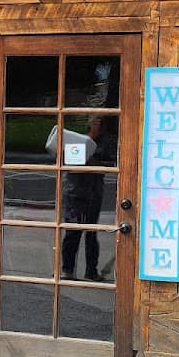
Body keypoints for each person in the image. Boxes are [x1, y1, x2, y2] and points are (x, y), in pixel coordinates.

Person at [61, 117, 114, 281]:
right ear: (89, 125)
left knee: (91, 234)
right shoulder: (76, 141)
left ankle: (91, 270)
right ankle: (67, 270)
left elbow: (111, 164)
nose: (100, 126)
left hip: (92, 194)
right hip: (75, 194)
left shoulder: (105, 143)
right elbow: (67, 161)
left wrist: (91, 162)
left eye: (102, 123)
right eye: (97, 122)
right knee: (72, 233)